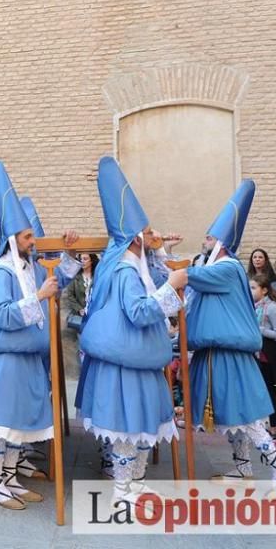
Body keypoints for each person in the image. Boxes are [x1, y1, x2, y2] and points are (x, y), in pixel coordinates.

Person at [0, 162, 81, 510]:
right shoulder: (1, 272)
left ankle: (10, 478)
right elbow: (5, 316)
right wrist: (39, 297)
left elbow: (58, 280)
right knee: (0, 424)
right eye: (28, 237)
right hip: (2, 362)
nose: (34, 241)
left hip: (23, 360)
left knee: (18, 425)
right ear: (14, 240)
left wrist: (69, 255)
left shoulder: (30, 266)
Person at [75, 157, 187, 503]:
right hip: (127, 366)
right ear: (136, 238)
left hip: (139, 362)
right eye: (147, 232)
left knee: (142, 427)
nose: (152, 235)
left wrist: (163, 257)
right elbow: (140, 311)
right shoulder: (124, 272)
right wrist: (172, 288)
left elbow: (153, 282)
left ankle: (135, 484)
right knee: (127, 430)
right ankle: (123, 490)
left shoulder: (132, 266)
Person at [186, 180, 276, 484]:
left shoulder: (226, 267)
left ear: (221, 243)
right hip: (216, 353)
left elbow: (189, 275)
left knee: (247, 418)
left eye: (210, 237)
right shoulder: (218, 268)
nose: (205, 240)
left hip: (228, 355)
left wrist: (168, 265)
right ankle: (243, 468)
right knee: (233, 420)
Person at [250, 273, 276, 438]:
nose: (250, 291)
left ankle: (273, 428)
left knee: (270, 390)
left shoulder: (271, 307)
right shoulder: (254, 306)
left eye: (253, 288)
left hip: (268, 355)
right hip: (256, 353)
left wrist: (260, 330)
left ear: (264, 290)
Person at [62, 252, 97, 333]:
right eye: (81, 259)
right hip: (80, 316)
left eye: (85, 259)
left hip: (94, 315)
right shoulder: (75, 277)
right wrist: (79, 309)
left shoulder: (97, 276)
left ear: (91, 261)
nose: (82, 261)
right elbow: (70, 295)